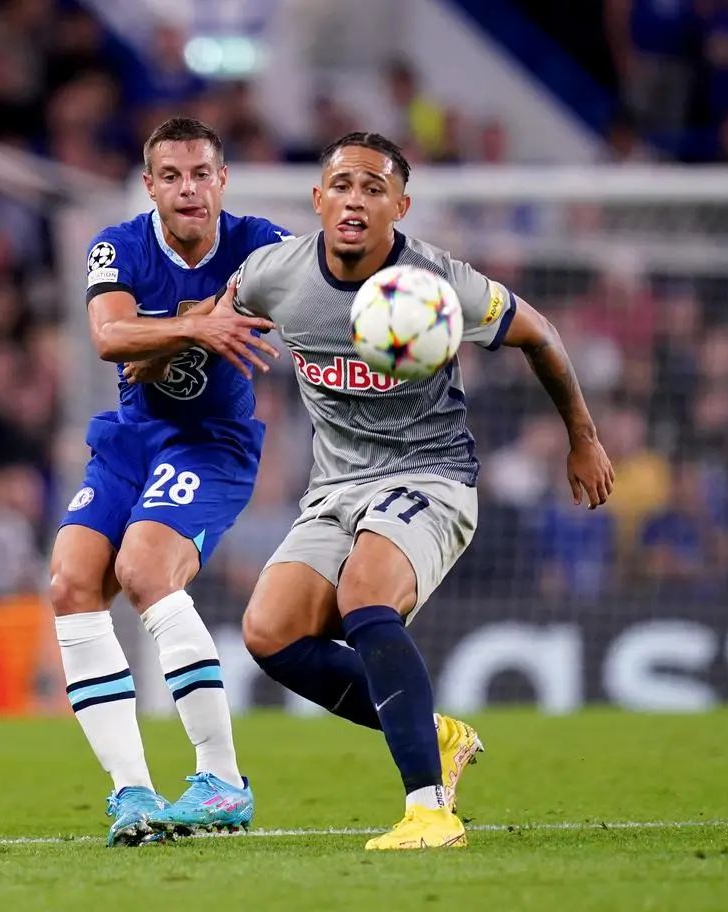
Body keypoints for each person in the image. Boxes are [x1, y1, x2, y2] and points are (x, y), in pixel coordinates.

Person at [218, 132, 614, 850]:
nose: (355, 200)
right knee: (268, 632)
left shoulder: (437, 284)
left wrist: (582, 438)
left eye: (374, 189)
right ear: (318, 199)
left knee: (364, 597)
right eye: (342, 185)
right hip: (334, 489)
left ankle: (431, 812)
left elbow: (540, 333)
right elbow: (221, 316)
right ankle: (436, 734)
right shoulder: (273, 275)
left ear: (400, 206)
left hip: (430, 477)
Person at [50, 117, 289, 846]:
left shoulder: (262, 245)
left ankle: (221, 780)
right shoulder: (117, 245)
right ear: (150, 185)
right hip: (130, 442)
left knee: (146, 569)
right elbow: (108, 337)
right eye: (173, 177)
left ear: (222, 181)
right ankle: (133, 794)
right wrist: (199, 324)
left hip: (208, 444)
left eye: (203, 174)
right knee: (69, 583)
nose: (190, 189)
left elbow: (304, 306)